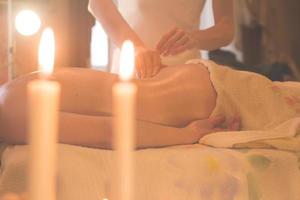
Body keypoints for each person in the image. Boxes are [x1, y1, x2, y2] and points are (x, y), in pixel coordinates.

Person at [0, 63, 240, 149]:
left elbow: (109, 133)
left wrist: (188, 133)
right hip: (192, 82)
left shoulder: (8, 114)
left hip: (202, 100)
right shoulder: (7, 92)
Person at [88, 0, 234, 79]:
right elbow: (98, 3)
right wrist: (136, 48)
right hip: (131, 68)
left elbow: (226, 28)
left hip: (184, 74)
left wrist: (195, 37)